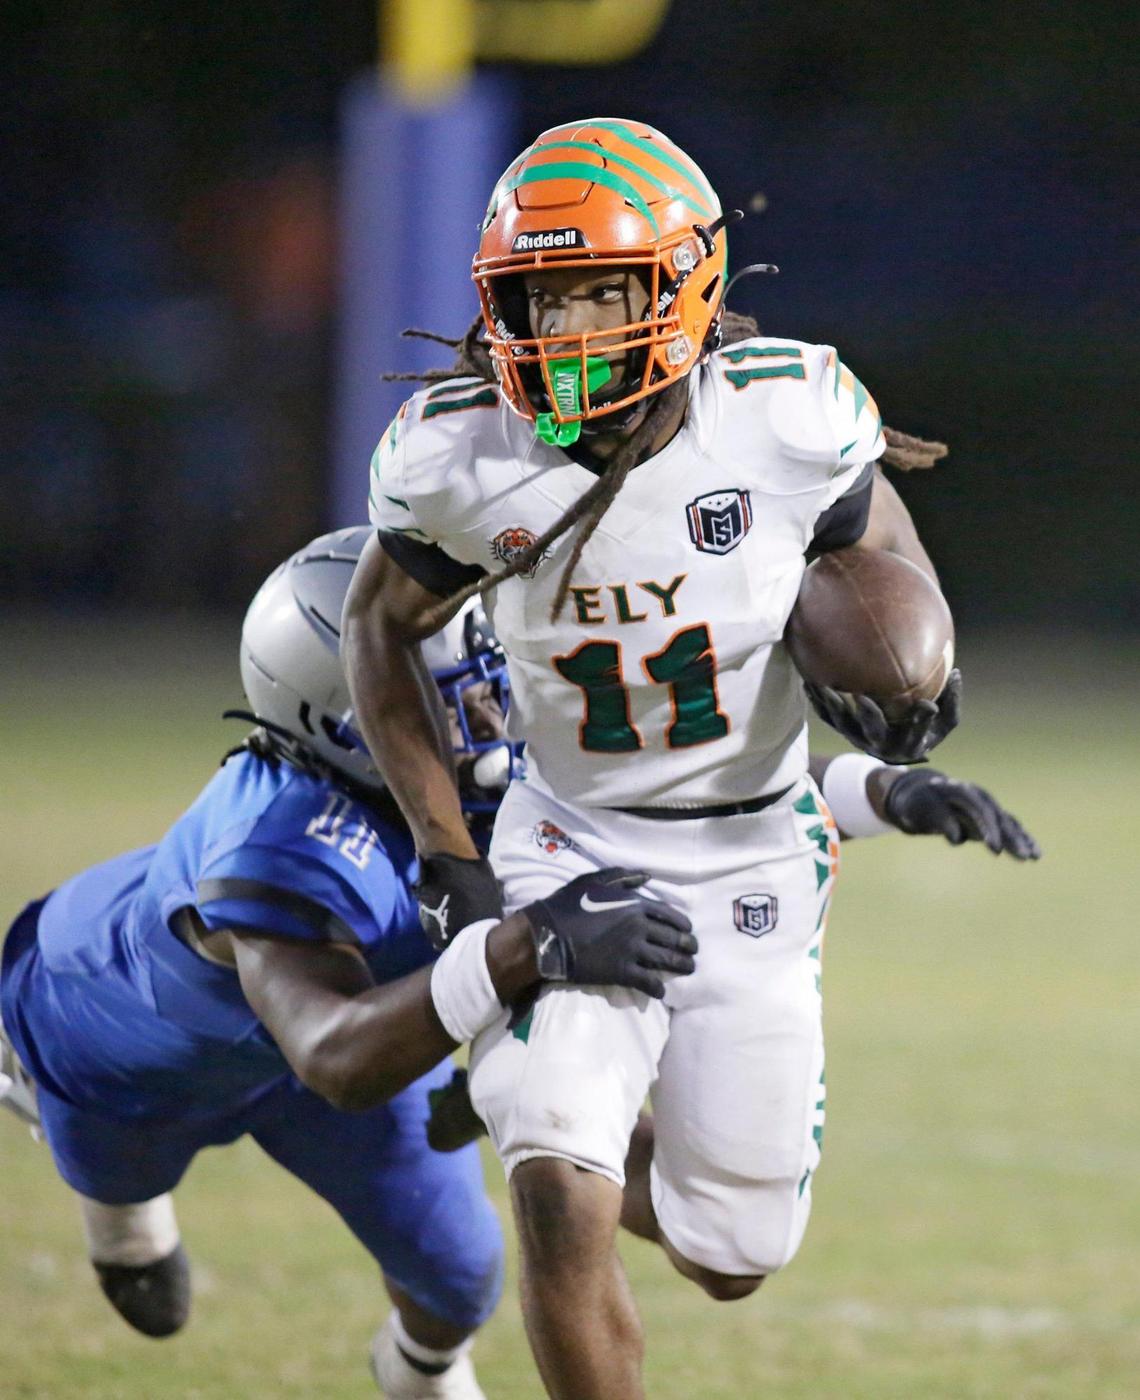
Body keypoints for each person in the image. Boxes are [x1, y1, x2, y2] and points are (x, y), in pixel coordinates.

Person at [342, 119, 1042, 1399]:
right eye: (535, 300)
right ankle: (549, 1112)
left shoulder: (783, 418)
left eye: (599, 292)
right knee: (558, 1188)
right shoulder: (464, 456)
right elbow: (379, 627)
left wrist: (915, 661)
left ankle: (555, 1112)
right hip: (565, 839)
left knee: (734, 1250)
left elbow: (868, 514)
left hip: (752, 851)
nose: (563, 332)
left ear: (685, 282)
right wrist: (453, 864)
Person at [0, 526, 700, 1400]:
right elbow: (335, 1057)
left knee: (461, 1275)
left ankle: (416, 1376)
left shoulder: (465, 777)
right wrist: (530, 946)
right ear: (349, 718)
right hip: (118, 1040)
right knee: (136, 1244)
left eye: (484, 674)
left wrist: (865, 786)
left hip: (354, 1020)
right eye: (453, 695)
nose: (492, 710)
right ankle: (117, 1204)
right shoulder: (281, 847)